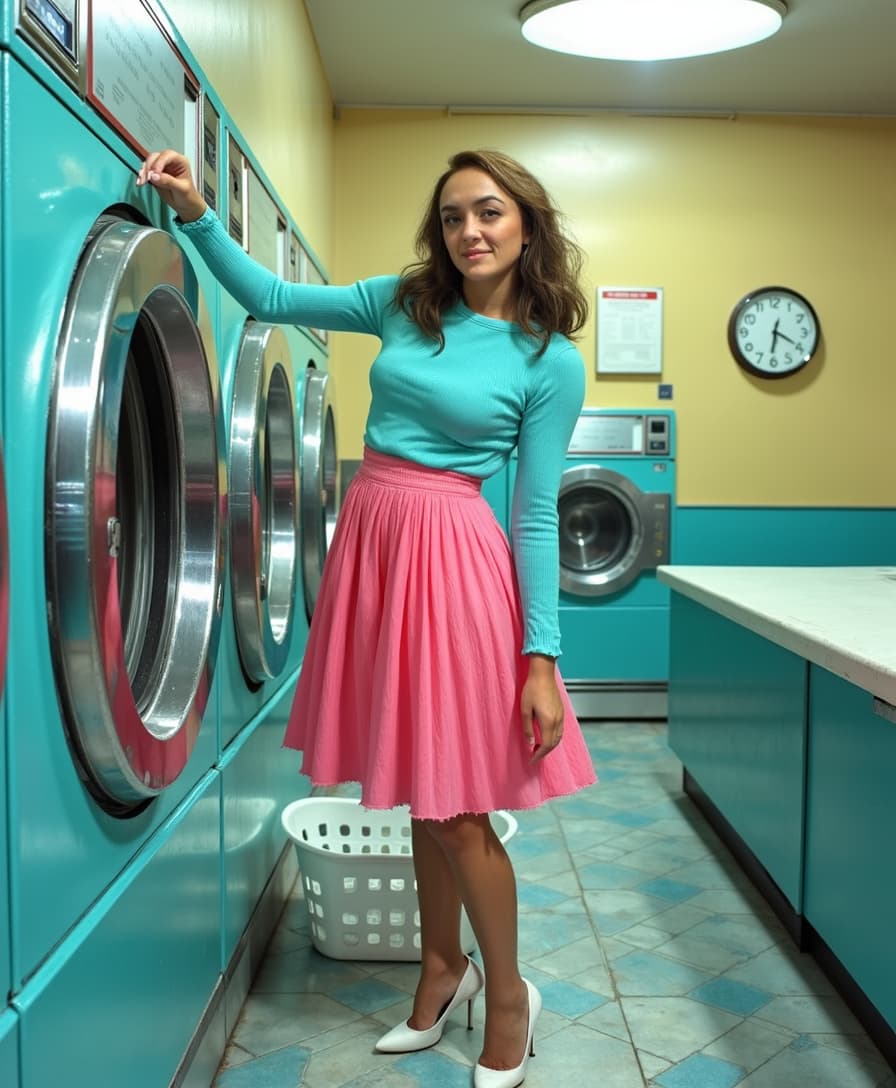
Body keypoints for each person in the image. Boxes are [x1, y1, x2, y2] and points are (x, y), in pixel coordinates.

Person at [138, 147, 597, 1088]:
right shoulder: (405, 301)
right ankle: (440, 969)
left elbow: (535, 514)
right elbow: (271, 297)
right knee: (422, 794)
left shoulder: (549, 360)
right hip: (375, 541)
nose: (469, 231)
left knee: (458, 807)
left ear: (528, 226)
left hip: (454, 558)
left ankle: (511, 996)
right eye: (453, 217)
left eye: (489, 212)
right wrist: (195, 211)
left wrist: (540, 659)